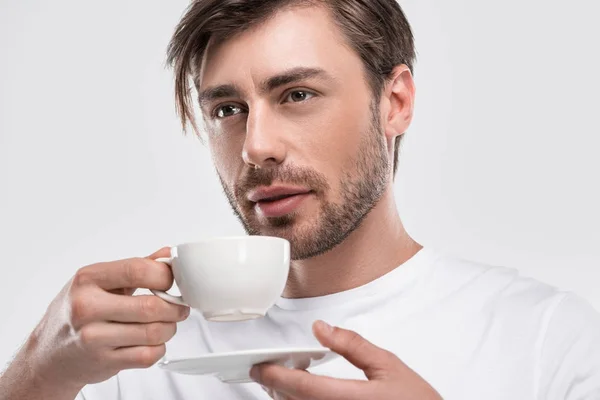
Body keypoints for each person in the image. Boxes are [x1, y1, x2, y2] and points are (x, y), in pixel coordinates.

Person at [1, 0, 599, 399]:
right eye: (227, 110)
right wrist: (36, 372)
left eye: (297, 95)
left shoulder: (549, 339)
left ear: (395, 104)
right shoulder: (131, 357)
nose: (255, 147)